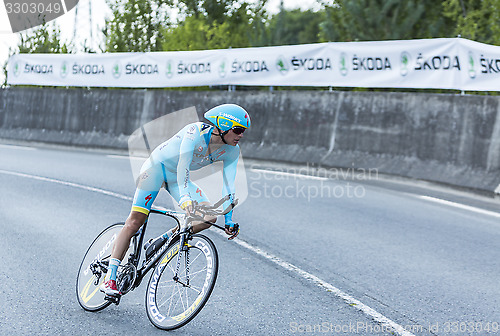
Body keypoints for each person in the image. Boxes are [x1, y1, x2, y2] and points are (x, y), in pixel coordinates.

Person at [100, 103, 251, 297]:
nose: (241, 136)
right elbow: (183, 168)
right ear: (222, 125)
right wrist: (187, 201)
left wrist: (229, 219)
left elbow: (229, 186)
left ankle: (161, 240)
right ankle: (110, 278)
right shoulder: (194, 132)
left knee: (208, 219)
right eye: (238, 130)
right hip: (156, 169)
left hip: (178, 181)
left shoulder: (232, 151)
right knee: (135, 221)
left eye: (243, 131)